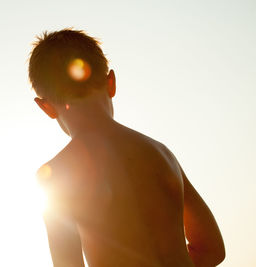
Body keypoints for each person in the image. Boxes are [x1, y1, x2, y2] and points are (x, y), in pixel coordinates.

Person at [28, 29, 225, 267]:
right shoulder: (161, 154)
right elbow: (212, 249)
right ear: (111, 82)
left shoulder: (57, 174)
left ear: (46, 107)